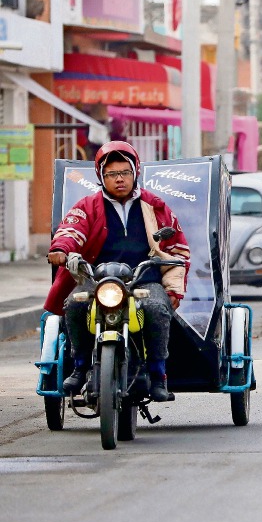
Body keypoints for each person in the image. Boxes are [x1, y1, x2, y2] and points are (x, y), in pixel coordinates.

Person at [44, 141, 191, 402]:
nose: (119, 179)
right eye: (112, 174)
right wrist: (61, 248)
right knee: (74, 305)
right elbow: (70, 231)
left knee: (158, 309)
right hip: (97, 280)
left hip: (143, 278)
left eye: (125, 172)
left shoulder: (155, 206)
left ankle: (158, 375)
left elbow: (177, 248)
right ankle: (79, 367)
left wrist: (173, 288)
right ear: (101, 176)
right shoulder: (87, 205)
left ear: (136, 173)